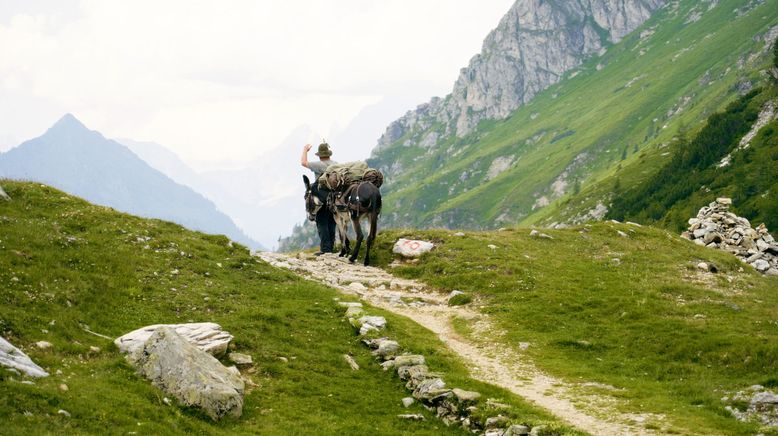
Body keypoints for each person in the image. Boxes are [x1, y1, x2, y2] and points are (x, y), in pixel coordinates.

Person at [301, 141, 337, 255]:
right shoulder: (336, 164)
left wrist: (305, 150)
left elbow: (303, 162)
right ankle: (331, 246)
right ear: (329, 154)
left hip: (322, 198)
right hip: (335, 198)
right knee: (332, 222)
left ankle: (326, 250)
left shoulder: (319, 165)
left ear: (320, 155)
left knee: (322, 223)